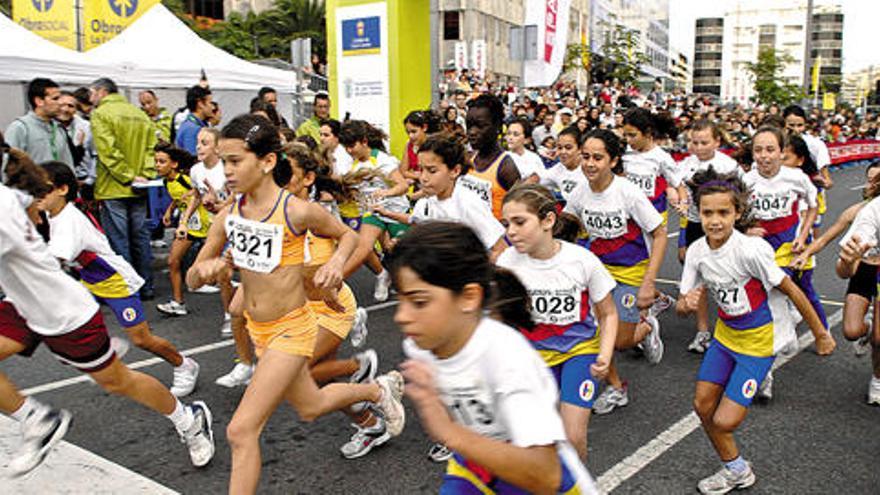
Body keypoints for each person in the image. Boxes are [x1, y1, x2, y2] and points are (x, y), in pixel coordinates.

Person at [186, 114, 405, 493]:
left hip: (294, 327)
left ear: (267, 162)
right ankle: (377, 390)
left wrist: (336, 264)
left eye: (235, 161)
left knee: (240, 430)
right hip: (262, 331)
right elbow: (192, 278)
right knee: (309, 405)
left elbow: (347, 237)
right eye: (223, 162)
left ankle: (373, 388)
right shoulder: (229, 213)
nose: (227, 171)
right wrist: (204, 270)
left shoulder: (296, 210)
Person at [0, 151, 214, 476]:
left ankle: (188, 407)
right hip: (42, 297)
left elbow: (55, 258)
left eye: (46, 191)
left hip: (98, 290)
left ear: (62, 189)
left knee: (132, 354)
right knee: (127, 351)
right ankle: (36, 418)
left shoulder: (65, 219)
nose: (40, 198)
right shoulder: (18, 200)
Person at [391, 221, 599, 494]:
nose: (401, 316)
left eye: (418, 302)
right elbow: (312, 404)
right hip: (477, 463)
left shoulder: (506, 358)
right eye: (400, 300)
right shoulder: (421, 344)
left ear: (468, 298)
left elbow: (547, 475)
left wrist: (450, 432)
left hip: (536, 477)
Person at [677, 168, 834, 495]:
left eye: (723, 212)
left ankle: (736, 466)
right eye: (707, 213)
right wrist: (687, 303)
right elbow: (683, 302)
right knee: (702, 406)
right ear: (698, 213)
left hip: (757, 344)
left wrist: (821, 332)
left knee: (724, 422)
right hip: (724, 339)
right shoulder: (696, 252)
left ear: (737, 213)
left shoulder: (750, 251)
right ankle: (737, 470)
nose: (715, 220)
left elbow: (792, 289)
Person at [38, 162, 200, 398]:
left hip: (114, 281)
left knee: (142, 339)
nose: (35, 194)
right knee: (62, 318)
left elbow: (52, 262)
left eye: (42, 188)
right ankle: (100, 350)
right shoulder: (52, 213)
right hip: (90, 280)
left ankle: (184, 365)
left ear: (62, 189)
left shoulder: (69, 221)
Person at [498, 184, 618, 460]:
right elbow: (500, 315)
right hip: (534, 357)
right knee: (527, 438)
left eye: (519, 222)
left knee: (573, 437)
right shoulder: (507, 262)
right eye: (506, 224)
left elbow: (608, 313)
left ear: (548, 220)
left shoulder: (582, 261)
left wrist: (605, 353)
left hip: (579, 352)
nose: (510, 231)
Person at [282, 144, 385, 459]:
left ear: (308, 179)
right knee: (321, 378)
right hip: (300, 310)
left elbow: (356, 243)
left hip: (332, 308)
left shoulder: (316, 214)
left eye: (288, 175)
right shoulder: (275, 214)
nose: (279, 180)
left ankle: (363, 369)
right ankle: (370, 424)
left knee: (296, 377)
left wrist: (336, 268)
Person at [564, 129, 667, 415]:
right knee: (597, 332)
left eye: (598, 157)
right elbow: (565, 227)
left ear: (613, 160)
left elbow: (659, 234)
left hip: (631, 271)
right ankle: (616, 387)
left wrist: (649, 283)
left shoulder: (627, 192)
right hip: (597, 271)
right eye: (585, 156)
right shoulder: (579, 192)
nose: (590, 164)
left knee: (621, 341)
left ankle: (646, 327)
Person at [743, 126, 826, 399]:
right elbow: (734, 211)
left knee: (772, 296)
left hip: (785, 248)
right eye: (758, 150)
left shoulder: (796, 178)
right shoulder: (745, 179)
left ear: (781, 152)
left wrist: (803, 235)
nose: (764, 156)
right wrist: (746, 229)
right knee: (759, 302)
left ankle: (766, 368)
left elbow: (812, 206)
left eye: (770, 150)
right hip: (755, 247)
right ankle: (777, 346)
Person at [373, 133, 507, 260]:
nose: (423, 178)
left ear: (455, 171)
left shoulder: (468, 203)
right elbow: (417, 221)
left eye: (432, 171)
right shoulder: (427, 200)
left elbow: (500, 248)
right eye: (421, 169)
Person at [89, 77, 157, 300]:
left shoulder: (100, 114)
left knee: (119, 241)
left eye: (92, 93)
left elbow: (108, 152)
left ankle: (129, 288)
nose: (90, 98)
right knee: (140, 238)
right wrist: (143, 175)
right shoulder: (139, 114)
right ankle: (146, 286)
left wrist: (127, 176)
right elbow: (150, 149)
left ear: (101, 92)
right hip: (140, 186)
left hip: (114, 187)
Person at [678, 119, 742, 353]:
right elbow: (681, 198)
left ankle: (734, 328)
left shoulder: (729, 165)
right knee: (698, 279)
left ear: (717, 141)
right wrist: (682, 238)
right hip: (696, 225)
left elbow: (743, 198)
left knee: (728, 277)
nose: (699, 147)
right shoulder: (685, 165)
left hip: (726, 228)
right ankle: (703, 332)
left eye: (704, 142)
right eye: (694, 142)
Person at [337, 120, 409, 302]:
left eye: (352, 146)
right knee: (363, 247)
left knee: (397, 252)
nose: (349, 151)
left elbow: (403, 186)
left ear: (364, 141)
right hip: (373, 213)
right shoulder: (354, 166)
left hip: (396, 212)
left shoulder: (382, 161)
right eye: (346, 147)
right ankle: (335, 281)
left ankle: (400, 279)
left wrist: (386, 192)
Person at [154, 143, 211, 317]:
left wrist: (185, 219)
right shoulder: (167, 181)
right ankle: (178, 302)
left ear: (174, 164)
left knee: (226, 261)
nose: (157, 165)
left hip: (201, 222)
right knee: (173, 261)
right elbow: (178, 197)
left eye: (162, 161)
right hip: (188, 224)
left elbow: (198, 195)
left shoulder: (183, 179)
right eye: (155, 161)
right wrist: (170, 210)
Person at [459, 94, 521, 219]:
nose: (472, 132)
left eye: (480, 126)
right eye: (469, 125)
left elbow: (520, 212)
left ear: (497, 126)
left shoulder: (506, 168)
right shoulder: (468, 158)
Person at [5, 78, 74, 169]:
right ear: (39, 101)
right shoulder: (20, 128)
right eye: (55, 99)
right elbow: (8, 166)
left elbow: (68, 163)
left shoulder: (58, 128)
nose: (60, 103)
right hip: (32, 183)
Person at [57, 90, 97, 191]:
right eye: (61, 105)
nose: (65, 109)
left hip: (84, 181)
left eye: (70, 106)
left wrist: (89, 180)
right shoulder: (48, 127)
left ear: (76, 109)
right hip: (57, 182)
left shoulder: (87, 127)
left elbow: (95, 155)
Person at [541, 126, 587, 203]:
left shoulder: (590, 169)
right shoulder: (558, 169)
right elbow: (538, 181)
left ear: (580, 149)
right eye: (559, 148)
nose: (563, 152)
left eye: (568, 148)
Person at [175, 85, 214, 155]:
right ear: (200, 104)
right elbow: (192, 159)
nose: (213, 107)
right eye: (210, 103)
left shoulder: (194, 125)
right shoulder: (192, 129)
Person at [505, 118, 543, 184]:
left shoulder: (534, 158)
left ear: (526, 140)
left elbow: (542, 179)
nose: (510, 138)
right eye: (509, 133)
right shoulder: (502, 157)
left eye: (515, 134)